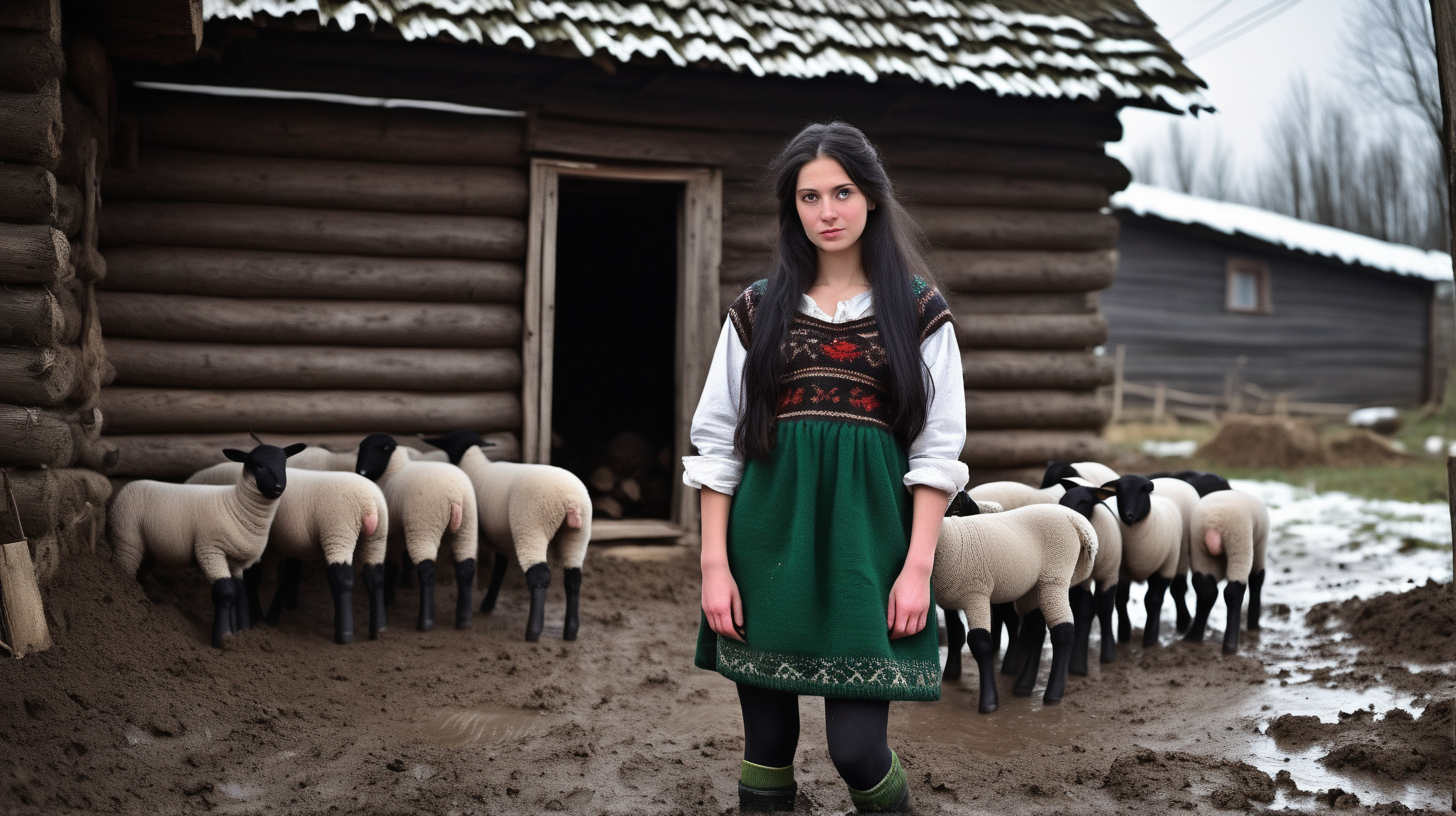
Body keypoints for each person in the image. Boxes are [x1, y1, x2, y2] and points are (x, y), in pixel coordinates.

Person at [683, 122, 969, 813]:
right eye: (810, 197)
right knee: (767, 744)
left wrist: (917, 570)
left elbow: (937, 453)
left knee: (857, 750)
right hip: (766, 546)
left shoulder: (920, 312)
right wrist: (714, 566)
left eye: (841, 192)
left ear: (872, 197)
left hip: (868, 554)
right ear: (794, 209)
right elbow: (718, 444)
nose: (827, 212)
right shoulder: (756, 311)